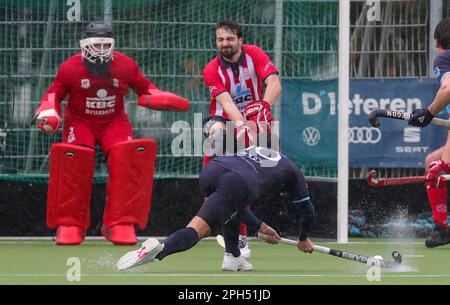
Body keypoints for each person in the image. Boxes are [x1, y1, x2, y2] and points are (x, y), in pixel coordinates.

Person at [33, 21, 189, 246]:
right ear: (85, 45)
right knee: (73, 162)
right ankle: (71, 224)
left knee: (126, 161)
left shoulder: (125, 65)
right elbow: (54, 95)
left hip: (114, 121)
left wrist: (160, 97)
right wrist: (47, 113)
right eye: (96, 45)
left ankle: (120, 223)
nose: (101, 50)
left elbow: (145, 88)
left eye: (106, 44)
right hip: (80, 122)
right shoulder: (70, 68)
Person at [116, 146, 316, 271]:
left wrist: (260, 227)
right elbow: (308, 211)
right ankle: (158, 250)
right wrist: (303, 238)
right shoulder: (293, 172)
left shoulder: (257, 150)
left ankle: (233, 257)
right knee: (198, 230)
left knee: (229, 211)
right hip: (236, 183)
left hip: (213, 170)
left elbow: (236, 208)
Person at [202, 20, 282, 258]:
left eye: (229, 39)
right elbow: (226, 103)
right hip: (224, 119)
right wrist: (242, 126)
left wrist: (263, 109)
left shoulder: (254, 54)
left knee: (243, 181)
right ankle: (239, 235)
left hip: (257, 119)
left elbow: (274, 84)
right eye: (220, 39)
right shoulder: (211, 69)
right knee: (213, 174)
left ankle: (241, 236)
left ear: (240, 40)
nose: (224, 43)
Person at [408, 17, 450, 248]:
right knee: (433, 161)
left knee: (439, 167)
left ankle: (442, 228)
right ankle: (442, 226)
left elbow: (449, 88)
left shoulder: (445, 57)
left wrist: (429, 113)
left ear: (437, 43)